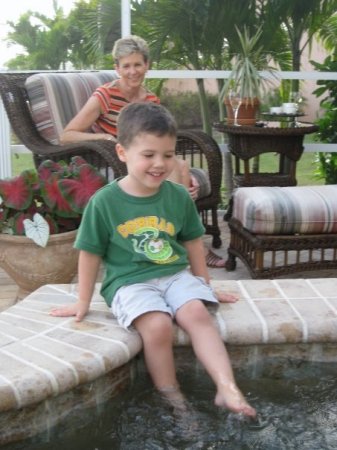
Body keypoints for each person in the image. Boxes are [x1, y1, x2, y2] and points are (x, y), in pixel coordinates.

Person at [51, 102, 256, 418]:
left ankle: (227, 388)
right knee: (158, 326)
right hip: (128, 282)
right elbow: (90, 252)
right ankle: (175, 401)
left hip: (174, 275)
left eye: (168, 154)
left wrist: (204, 283)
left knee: (197, 314)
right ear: (123, 153)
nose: (159, 164)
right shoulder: (104, 202)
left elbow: (191, 241)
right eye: (148, 155)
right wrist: (83, 301)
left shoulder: (177, 196)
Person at [60, 34, 226, 268]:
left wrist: (181, 172)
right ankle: (190, 245)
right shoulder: (104, 96)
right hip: (113, 159)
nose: (132, 71)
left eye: (138, 64)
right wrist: (105, 136)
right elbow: (67, 134)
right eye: (126, 66)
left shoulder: (150, 99)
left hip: (144, 159)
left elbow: (158, 143)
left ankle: (179, 239)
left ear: (147, 65)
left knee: (182, 168)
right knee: (178, 177)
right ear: (116, 68)